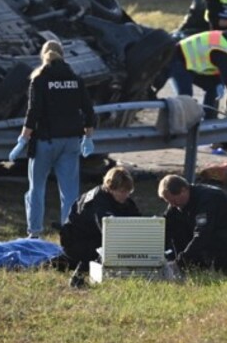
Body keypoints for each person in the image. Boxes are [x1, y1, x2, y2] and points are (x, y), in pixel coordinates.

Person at [18, 40, 95, 238]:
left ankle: (34, 233)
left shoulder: (40, 80)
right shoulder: (76, 79)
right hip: (71, 142)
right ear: (63, 55)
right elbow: (88, 110)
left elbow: (33, 112)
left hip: (45, 141)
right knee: (70, 193)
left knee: (36, 189)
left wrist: (23, 139)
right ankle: (69, 232)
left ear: (43, 56)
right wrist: (88, 137)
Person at [158, 174, 227, 272]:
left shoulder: (207, 199)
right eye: (169, 202)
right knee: (176, 225)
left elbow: (203, 234)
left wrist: (180, 262)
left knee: (209, 243)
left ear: (183, 190)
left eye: (173, 200)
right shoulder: (176, 205)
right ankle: (189, 265)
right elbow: (165, 227)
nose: (172, 204)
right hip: (211, 233)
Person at [59, 167, 141, 273]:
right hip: (77, 242)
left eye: (128, 191)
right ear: (111, 188)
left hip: (94, 238)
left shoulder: (123, 200)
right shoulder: (99, 202)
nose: (125, 195)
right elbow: (110, 231)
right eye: (122, 191)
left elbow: (138, 220)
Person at [168, 30, 227, 119]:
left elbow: (217, 66)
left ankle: (207, 120)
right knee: (185, 95)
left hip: (189, 62)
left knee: (212, 87)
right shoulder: (226, 52)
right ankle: (179, 124)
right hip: (178, 58)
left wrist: (218, 82)